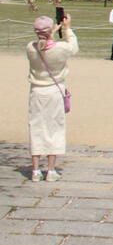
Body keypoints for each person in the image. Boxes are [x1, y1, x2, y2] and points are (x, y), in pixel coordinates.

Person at [27, 13, 78, 181]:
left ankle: (35, 170)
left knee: (36, 126)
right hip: (54, 90)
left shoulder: (31, 48)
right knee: (54, 127)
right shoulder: (60, 49)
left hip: (37, 91)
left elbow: (42, 45)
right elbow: (73, 47)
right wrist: (67, 28)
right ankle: (50, 170)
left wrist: (51, 33)